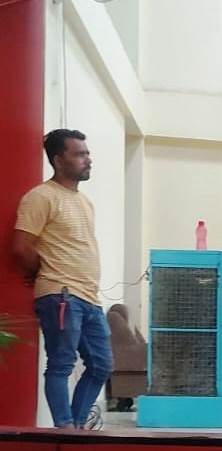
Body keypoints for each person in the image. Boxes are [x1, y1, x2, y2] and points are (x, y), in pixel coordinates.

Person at [12, 129, 112, 429]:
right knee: (61, 364)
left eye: (87, 153)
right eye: (79, 154)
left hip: (89, 297)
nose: (88, 159)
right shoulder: (41, 197)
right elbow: (21, 246)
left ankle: (76, 429)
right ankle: (65, 428)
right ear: (58, 160)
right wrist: (42, 272)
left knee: (102, 365)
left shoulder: (85, 202)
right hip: (62, 294)